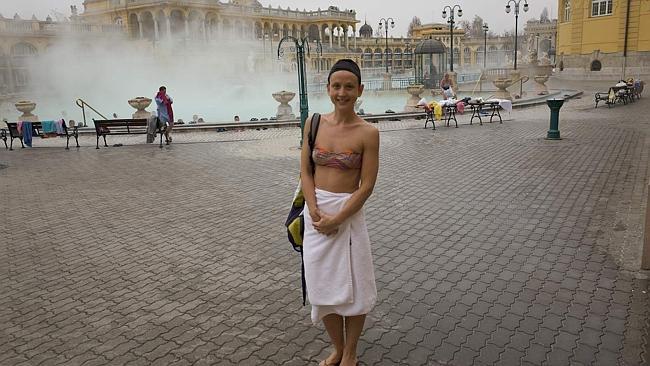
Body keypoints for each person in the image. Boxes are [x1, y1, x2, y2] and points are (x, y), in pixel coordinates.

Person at [301, 59, 379, 366]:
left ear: (359, 90)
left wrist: (338, 218)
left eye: (349, 87)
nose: (342, 93)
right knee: (321, 287)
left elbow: (367, 186)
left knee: (355, 286)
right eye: (336, 86)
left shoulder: (368, 133)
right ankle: (337, 346)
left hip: (348, 214)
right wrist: (314, 210)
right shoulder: (314, 123)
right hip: (316, 214)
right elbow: (305, 171)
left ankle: (350, 352)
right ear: (328, 89)